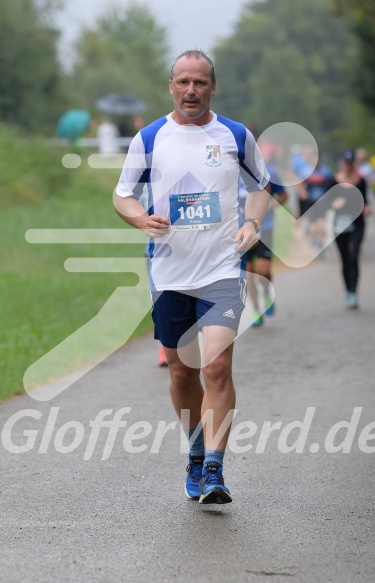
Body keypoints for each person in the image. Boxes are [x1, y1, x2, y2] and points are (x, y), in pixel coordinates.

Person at [114, 49, 270, 504]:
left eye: (200, 83)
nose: (191, 91)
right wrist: (141, 219)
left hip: (222, 268)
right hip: (169, 271)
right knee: (183, 371)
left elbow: (261, 187)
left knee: (217, 366)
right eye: (183, 82)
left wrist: (252, 224)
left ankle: (216, 472)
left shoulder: (235, 135)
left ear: (212, 87)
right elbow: (123, 196)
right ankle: (197, 453)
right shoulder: (150, 137)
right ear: (171, 86)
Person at [238, 162, 287, 327]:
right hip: (240, 231)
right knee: (249, 273)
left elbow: (283, 195)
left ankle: (266, 292)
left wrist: (268, 206)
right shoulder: (228, 171)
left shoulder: (268, 171)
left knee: (263, 271)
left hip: (264, 228)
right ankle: (256, 310)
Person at [327, 150, 371, 309]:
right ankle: (348, 291)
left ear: (354, 164)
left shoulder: (361, 181)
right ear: (341, 163)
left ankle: (353, 291)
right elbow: (325, 202)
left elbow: (366, 201)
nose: (347, 166)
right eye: (345, 163)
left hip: (357, 224)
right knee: (345, 259)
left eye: (350, 163)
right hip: (339, 226)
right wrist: (333, 204)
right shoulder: (333, 181)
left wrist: (367, 208)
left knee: (354, 256)